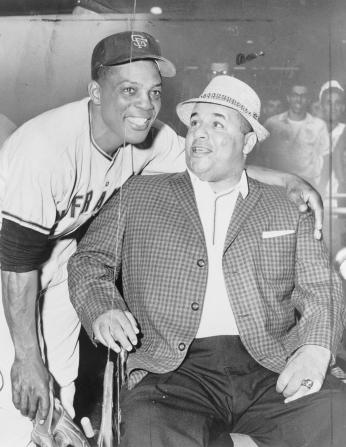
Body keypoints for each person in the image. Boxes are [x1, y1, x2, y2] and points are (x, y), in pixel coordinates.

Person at [0, 31, 323, 444]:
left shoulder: (147, 138)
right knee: (19, 391)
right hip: (11, 261)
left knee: (60, 385)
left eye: (154, 92)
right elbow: (16, 266)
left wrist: (288, 180)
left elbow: (215, 161)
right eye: (129, 90)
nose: (145, 106)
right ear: (95, 92)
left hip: (58, 253)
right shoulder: (45, 149)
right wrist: (26, 358)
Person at [68, 75, 346, 447]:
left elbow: (322, 287)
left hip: (269, 366)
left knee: (336, 416)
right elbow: (89, 260)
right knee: (148, 431)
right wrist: (103, 307)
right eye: (195, 122)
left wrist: (315, 349)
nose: (198, 133)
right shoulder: (139, 196)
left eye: (217, 123)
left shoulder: (285, 206)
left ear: (247, 141)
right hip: (173, 372)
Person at [259, 82, 329, 194]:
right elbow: (261, 157)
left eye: (303, 96)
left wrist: (321, 188)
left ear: (309, 99)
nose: (299, 99)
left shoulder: (319, 126)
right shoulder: (272, 123)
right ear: (288, 98)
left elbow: (326, 160)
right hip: (278, 184)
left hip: (307, 184)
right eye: (295, 95)